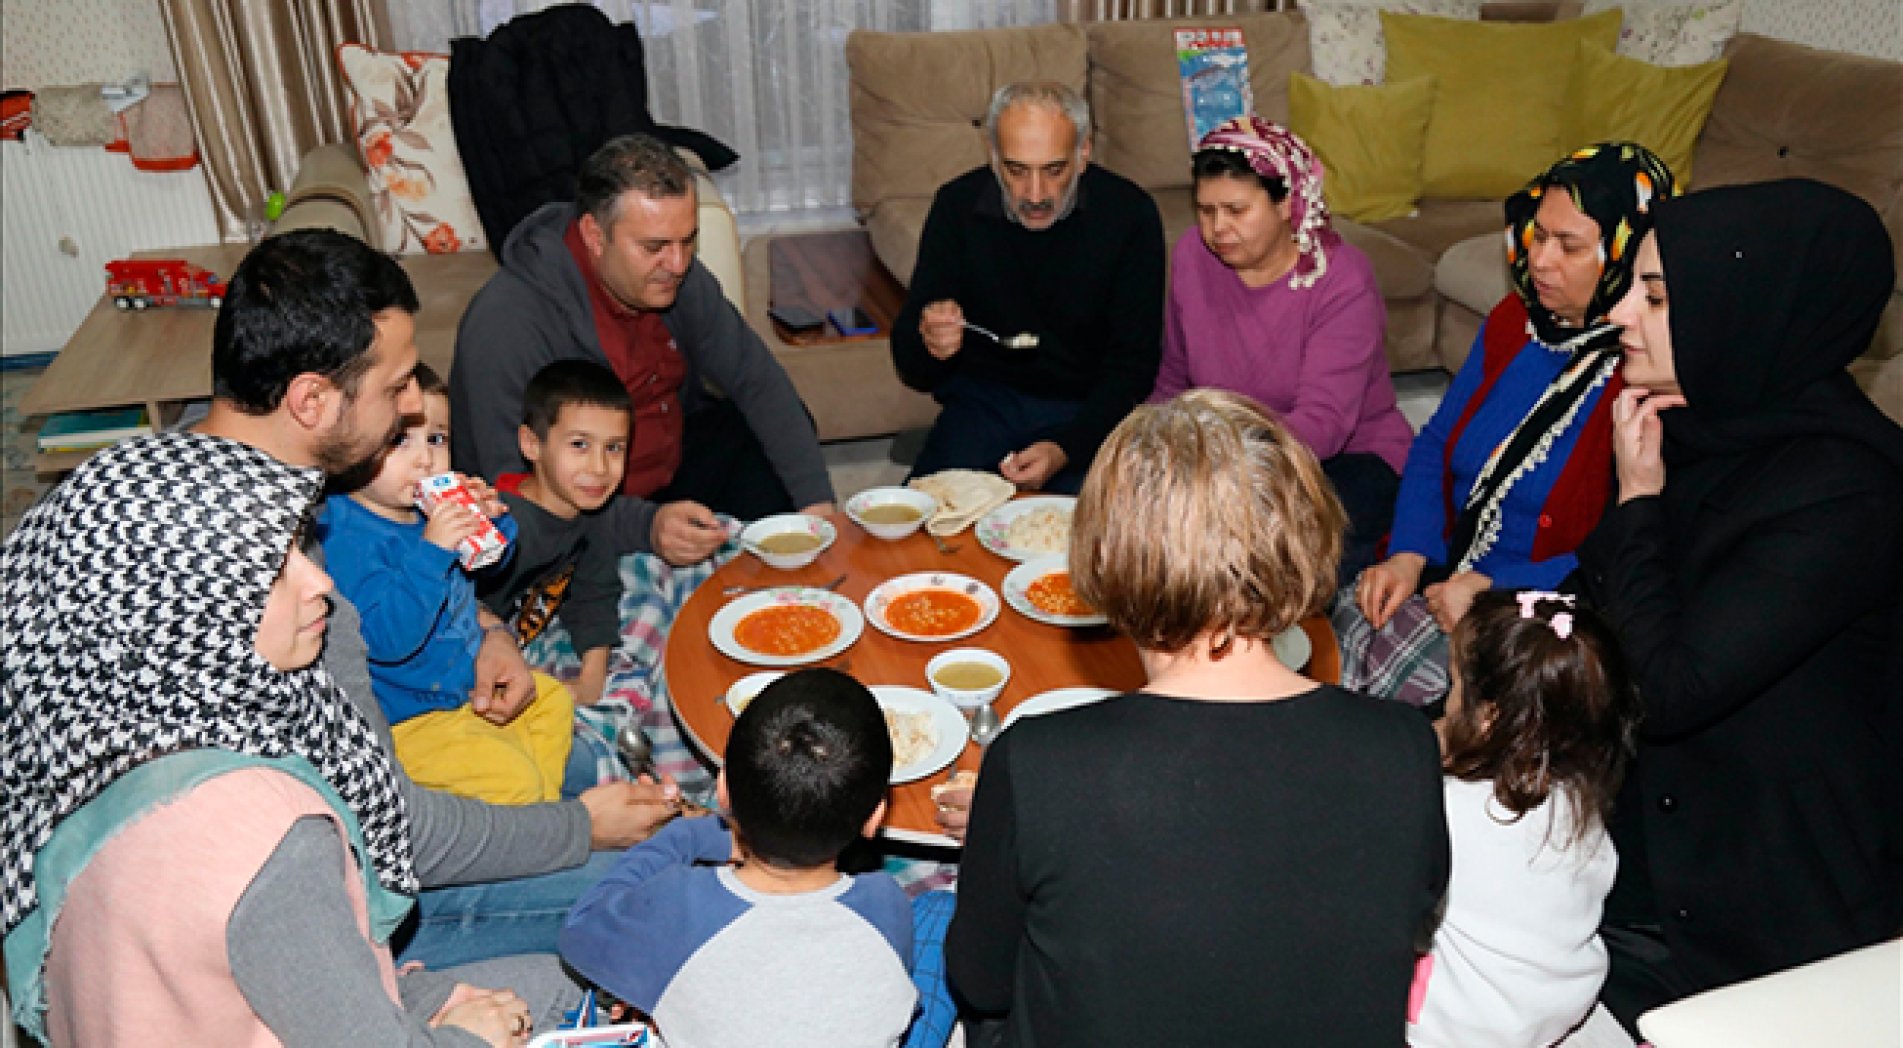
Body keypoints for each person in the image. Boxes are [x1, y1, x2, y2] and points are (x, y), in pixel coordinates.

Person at [186, 229, 679, 969]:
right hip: (304, 913)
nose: (414, 406)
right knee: (651, 888)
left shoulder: (230, 469)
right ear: (312, 399)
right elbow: (391, 825)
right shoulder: (274, 562)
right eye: (396, 389)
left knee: (586, 764)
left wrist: (490, 629)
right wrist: (577, 830)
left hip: (376, 803)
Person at [1, 432, 576, 1045]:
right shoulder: (267, 835)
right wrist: (471, 1037)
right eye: (273, 572)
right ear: (191, 611)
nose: (321, 583)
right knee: (564, 989)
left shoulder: (77, 758)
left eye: (299, 550)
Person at [945, 390, 1448, 1045]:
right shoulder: (1404, 745)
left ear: (1106, 557)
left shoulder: (1037, 760)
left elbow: (979, 980)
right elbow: (1409, 920)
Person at [1578, 179, 1903, 1029]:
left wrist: (1638, 502)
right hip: (1656, 841)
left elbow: (1668, 690)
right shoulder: (1701, 420)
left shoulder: (1847, 490)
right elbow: (1599, 604)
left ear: (1744, 309)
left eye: (1652, 297)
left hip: (1767, 899)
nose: (1618, 316)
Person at [1340, 143, 1677, 707]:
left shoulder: (1644, 369)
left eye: (1569, 246)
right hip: (1450, 572)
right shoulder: (1514, 321)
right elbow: (1438, 442)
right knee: (1339, 616)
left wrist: (1496, 587)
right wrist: (1408, 552)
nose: (1539, 260)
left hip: (1544, 610)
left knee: (1396, 703)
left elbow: (1626, 548)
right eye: (1538, 234)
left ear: (1628, 253)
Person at [451, 132, 834, 565]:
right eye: (654, 247)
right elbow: (513, 494)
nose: (677, 264)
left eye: (688, 240)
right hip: (577, 510)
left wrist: (818, 507)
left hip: (667, 466)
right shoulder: (508, 324)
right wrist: (645, 527)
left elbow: (756, 378)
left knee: (773, 432)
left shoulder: (673, 276)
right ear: (595, 235)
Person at [560, 668, 916, 1047]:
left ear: (723, 790)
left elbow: (580, 927)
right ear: (875, 817)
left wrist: (687, 835)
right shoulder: (888, 903)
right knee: (936, 911)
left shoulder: (677, 904)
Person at [1151, 116, 1412, 584]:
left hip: (1340, 459)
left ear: (1286, 204)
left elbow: (1324, 423)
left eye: (1236, 210)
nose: (1217, 228)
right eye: (1205, 210)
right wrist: (1147, 448)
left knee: (1263, 563)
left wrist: (1219, 477)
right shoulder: (1192, 254)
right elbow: (1174, 378)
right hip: (1229, 455)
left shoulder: (1341, 279)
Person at [891, 81, 1165, 494]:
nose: (1035, 195)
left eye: (1054, 170)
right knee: (922, 529)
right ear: (993, 154)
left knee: (1086, 544)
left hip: (1087, 411)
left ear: (1084, 152)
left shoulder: (1130, 216)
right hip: (983, 405)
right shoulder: (956, 206)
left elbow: (1134, 366)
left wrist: (1066, 447)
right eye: (1016, 171)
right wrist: (930, 340)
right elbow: (912, 367)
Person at [322, 362, 578, 805]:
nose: (425, 458)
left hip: (466, 689)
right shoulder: (347, 534)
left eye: (437, 439)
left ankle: (535, 803)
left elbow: (493, 567)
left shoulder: (426, 509)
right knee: (514, 781)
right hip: (412, 723)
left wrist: (492, 518)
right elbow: (388, 641)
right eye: (399, 440)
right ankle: (531, 809)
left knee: (555, 701)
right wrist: (433, 550)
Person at [1409, 590, 1638, 1047]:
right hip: (1559, 1008)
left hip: (1465, 1027)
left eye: (1455, 686)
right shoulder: (1578, 797)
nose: (1448, 702)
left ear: (1488, 718)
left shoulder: (1449, 808)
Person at [478, 359, 633, 709]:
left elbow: (596, 592)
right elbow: (454, 614)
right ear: (532, 445)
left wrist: (591, 681)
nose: (599, 468)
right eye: (579, 445)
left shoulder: (591, 506)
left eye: (614, 448)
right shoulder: (502, 525)